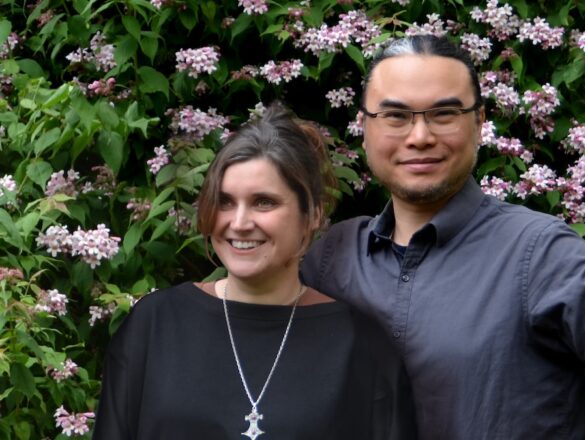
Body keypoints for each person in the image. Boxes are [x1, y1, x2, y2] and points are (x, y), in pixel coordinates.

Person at [301, 35, 585, 439]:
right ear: (364, 127)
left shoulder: (538, 251)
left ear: (479, 123)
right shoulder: (334, 256)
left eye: (444, 113)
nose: (419, 136)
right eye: (395, 116)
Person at [93, 102, 416, 439]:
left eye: (264, 202)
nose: (239, 223)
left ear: (313, 214)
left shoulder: (362, 348)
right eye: (225, 201)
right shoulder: (154, 326)